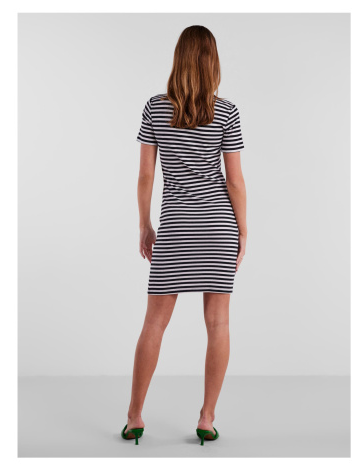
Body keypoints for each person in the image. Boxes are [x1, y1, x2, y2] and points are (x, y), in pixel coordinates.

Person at [121, 25, 247, 446]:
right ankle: (207, 419)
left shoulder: (155, 109)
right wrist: (242, 229)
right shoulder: (226, 112)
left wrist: (145, 224)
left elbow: (145, 175)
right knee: (219, 322)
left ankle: (134, 417)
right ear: (213, 62)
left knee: (154, 323)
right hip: (217, 227)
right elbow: (235, 181)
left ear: (179, 59)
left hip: (175, 228)